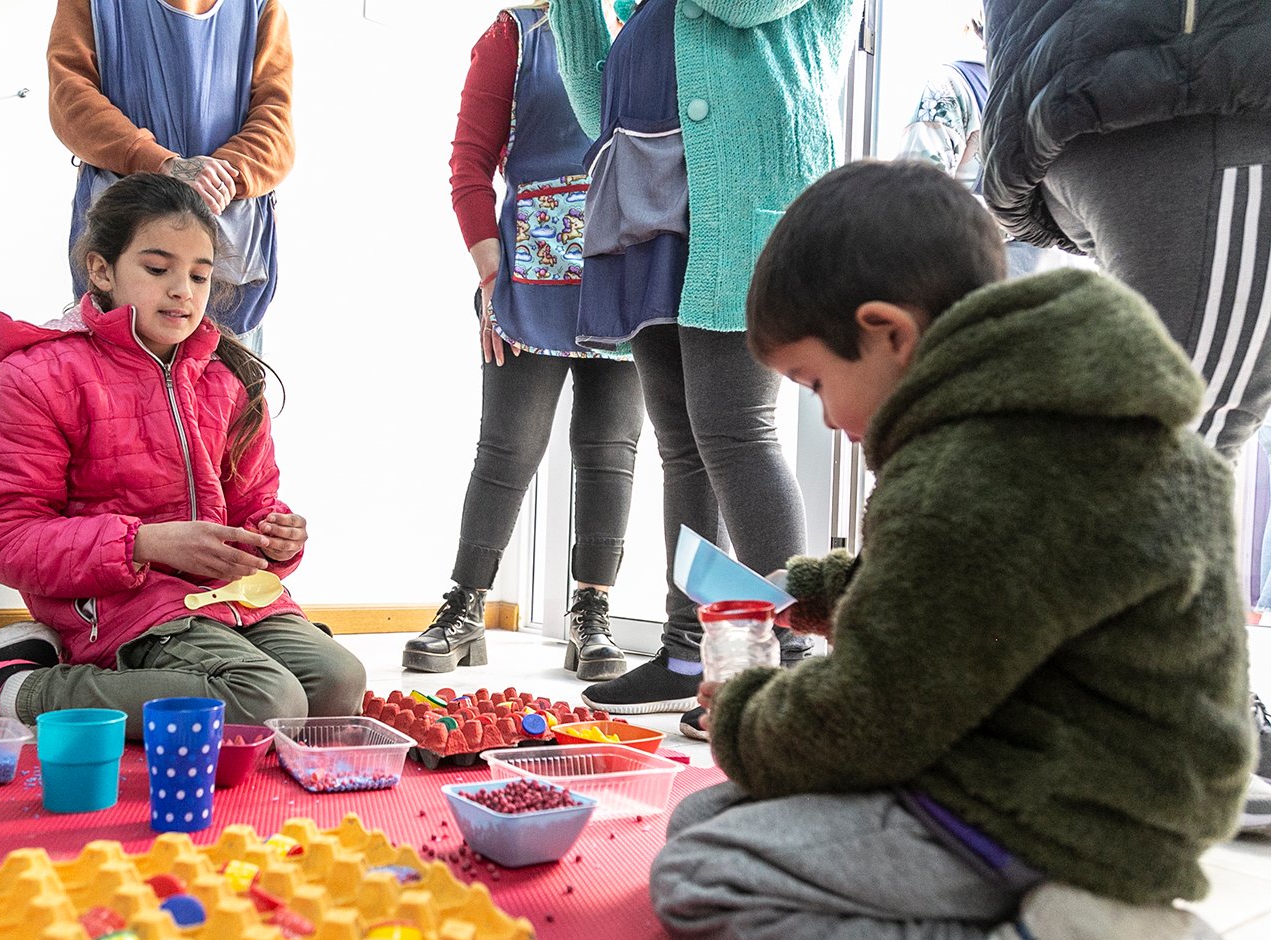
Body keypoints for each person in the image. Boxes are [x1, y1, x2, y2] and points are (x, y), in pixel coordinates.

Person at [651, 159, 1271, 940]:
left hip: (1050, 810)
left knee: (699, 877)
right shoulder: (1052, 414)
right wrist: (824, 591)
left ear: (887, 333)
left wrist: (742, 714)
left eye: (816, 382)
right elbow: (993, 591)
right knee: (709, 814)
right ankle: (1078, 922)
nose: (826, 418)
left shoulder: (971, 473)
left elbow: (870, 717)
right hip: (1110, 785)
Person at [0, 174, 364, 738]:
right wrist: (143, 542)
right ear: (102, 270)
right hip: (120, 603)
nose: (184, 291)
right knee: (262, 697)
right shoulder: (37, 377)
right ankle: (13, 690)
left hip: (230, 601)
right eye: (157, 269)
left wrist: (275, 537)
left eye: (199, 275)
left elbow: (254, 504)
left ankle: (162, 673)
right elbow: (4, 535)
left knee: (338, 684)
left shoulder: (229, 380)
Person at [979, 0, 1271, 830]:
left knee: (1176, 436)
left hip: (1122, 81)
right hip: (1189, 79)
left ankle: (1182, 709)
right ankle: (1156, 734)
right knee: (1179, 444)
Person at [545, 0, 859, 720]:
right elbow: (598, 102)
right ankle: (690, 649)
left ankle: (789, 664)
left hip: (741, 189)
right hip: (653, 198)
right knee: (683, 442)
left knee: (734, 429)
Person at [402, 3, 645, 682]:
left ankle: (590, 613)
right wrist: (488, 274)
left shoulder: (651, 25)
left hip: (626, 267)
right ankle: (465, 605)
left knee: (610, 448)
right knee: (507, 446)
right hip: (528, 277)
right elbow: (469, 165)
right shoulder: (514, 34)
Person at [47, 0, 293, 349]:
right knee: (113, 386)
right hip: (126, 240)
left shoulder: (260, 5)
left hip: (230, 260)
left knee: (225, 394)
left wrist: (217, 176)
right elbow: (69, 98)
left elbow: (276, 124)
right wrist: (161, 164)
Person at [892, 5, 1062, 276]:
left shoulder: (953, 87)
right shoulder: (954, 87)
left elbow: (913, 202)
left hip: (1015, 269)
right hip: (991, 268)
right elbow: (916, 203)